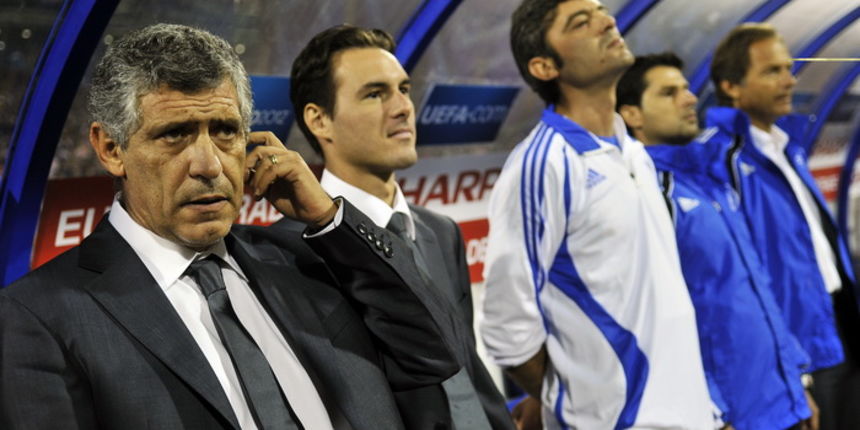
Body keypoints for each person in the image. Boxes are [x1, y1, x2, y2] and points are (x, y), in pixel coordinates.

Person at [0, 23, 462, 430]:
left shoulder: (306, 255)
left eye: (225, 130)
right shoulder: (38, 317)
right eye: (174, 134)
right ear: (110, 148)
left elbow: (433, 352)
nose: (208, 164)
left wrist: (327, 218)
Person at [480, 1, 715, 428]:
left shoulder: (635, 154)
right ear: (545, 66)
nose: (607, 22)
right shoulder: (543, 163)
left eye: (603, 12)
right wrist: (571, 398)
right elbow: (506, 327)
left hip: (692, 415)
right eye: (581, 22)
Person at [280, 24, 514, 430]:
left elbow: (467, 368)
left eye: (404, 89)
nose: (403, 107)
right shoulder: (291, 250)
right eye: (375, 94)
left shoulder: (441, 231)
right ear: (319, 120)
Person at [617, 52, 814, 429]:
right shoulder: (647, 195)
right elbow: (661, 322)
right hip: (732, 414)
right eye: (669, 93)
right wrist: (711, 408)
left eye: (687, 89)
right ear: (632, 115)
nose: (690, 98)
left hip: (782, 403)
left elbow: (758, 288)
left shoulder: (710, 180)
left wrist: (797, 383)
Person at [708, 23, 860, 430]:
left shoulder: (786, 146)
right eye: (772, 71)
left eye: (789, 69)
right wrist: (788, 369)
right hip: (799, 348)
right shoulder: (723, 161)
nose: (789, 81)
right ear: (732, 86)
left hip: (838, 327)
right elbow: (740, 275)